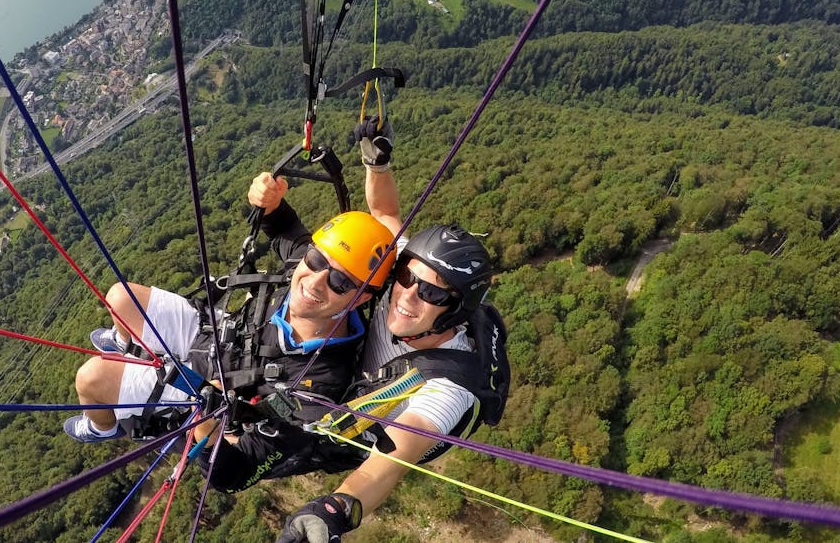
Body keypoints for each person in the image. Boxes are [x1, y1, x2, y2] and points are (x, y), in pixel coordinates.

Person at [250, 118, 510, 542]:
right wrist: (378, 165)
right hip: (351, 373)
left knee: (252, 446)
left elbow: (398, 452)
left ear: (456, 312)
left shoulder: (448, 386)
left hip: (358, 426)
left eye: (432, 293)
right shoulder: (405, 276)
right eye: (408, 278)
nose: (408, 294)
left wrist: (334, 509)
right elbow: (385, 216)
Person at [65, 204, 398, 492]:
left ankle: (101, 426)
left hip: (212, 400)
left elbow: (235, 473)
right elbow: (283, 226)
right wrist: (270, 201)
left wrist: (207, 424)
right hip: (220, 338)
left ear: (362, 297)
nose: (315, 281)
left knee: (93, 378)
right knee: (121, 297)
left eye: (340, 283)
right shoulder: (307, 267)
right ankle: (126, 344)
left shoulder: (319, 384)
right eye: (314, 260)